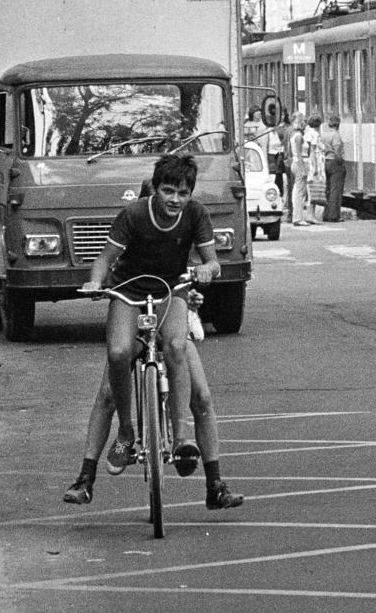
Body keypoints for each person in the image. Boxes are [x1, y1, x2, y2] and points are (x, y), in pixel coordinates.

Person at [78, 153, 243, 510]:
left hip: (169, 298)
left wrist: (206, 272)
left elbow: (211, 262)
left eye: (182, 193)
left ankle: (193, 454)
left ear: (190, 193)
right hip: (129, 296)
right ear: (153, 192)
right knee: (114, 367)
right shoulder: (133, 215)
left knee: (190, 373)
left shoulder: (194, 217)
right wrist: (94, 282)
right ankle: (106, 454)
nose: (175, 200)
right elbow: (104, 260)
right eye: (168, 191)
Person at [62, 337, 239, 507]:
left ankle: (215, 484)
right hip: (134, 334)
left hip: (172, 334)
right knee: (108, 395)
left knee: (202, 398)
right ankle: (85, 479)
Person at [321, 112, 346, 221]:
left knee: (327, 189)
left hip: (325, 162)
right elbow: (337, 152)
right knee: (336, 190)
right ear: (338, 124)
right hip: (334, 163)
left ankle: (326, 214)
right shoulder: (336, 135)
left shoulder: (323, 134)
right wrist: (341, 162)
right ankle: (334, 215)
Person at [288, 113, 312, 225]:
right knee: (300, 192)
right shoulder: (299, 136)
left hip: (296, 163)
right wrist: (303, 169)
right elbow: (298, 153)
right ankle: (298, 217)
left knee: (298, 190)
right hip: (300, 163)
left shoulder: (294, 134)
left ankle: (297, 216)